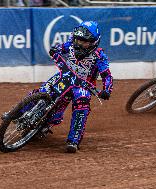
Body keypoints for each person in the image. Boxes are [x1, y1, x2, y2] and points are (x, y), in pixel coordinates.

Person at [38, 21, 113, 153]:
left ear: (93, 43)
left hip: (83, 86)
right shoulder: (71, 45)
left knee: (82, 101)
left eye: (84, 42)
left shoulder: (99, 56)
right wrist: (55, 50)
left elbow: (107, 75)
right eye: (78, 40)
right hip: (65, 77)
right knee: (44, 91)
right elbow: (60, 48)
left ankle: (74, 140)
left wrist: (107, 90)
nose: (79, 44)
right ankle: (21, 112)